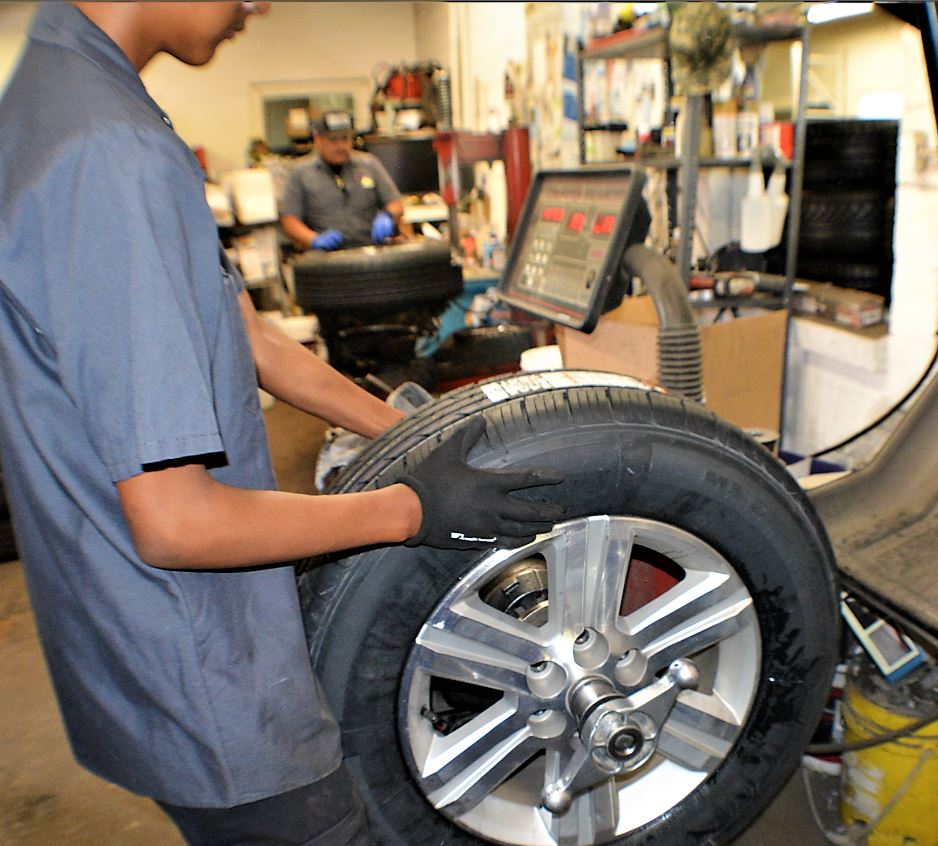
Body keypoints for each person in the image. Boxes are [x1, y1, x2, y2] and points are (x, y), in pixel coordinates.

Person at [0, 3, 563, 845]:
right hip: (203, 678)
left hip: (132, 646)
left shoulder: (56, 91)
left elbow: (245, 332)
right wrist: (412, 508)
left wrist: (405, 432)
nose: (258, 4)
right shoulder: (109, 152)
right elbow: (177, 520)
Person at [280, 110, 406, 251]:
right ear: (318, 139)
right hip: (325, 258)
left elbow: (395, 203)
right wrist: (313, 239)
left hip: (369, 252)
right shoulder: (300, 173)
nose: (341, 146)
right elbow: (289, 220)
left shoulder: (369, 164)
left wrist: (388, 216)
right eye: (333, 139)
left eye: (345, 138)